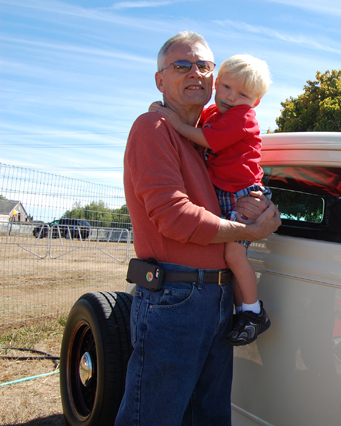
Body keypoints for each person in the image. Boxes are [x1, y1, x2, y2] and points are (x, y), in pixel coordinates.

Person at [115, 31, 280, 426]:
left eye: (204, 66)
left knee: (207, 417)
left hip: (216, 296)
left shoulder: (206, 142)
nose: (196, 73)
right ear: (160, 81)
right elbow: (175, 217)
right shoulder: (153, 128)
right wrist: (250, 233)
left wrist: (261, 208)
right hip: (175, 297)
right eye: (182, 65)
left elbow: (238, 183)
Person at [150, 54, 272, 346]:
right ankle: (244, 309)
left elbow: (207, 140)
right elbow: (198, 129)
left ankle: (253, 313)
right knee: (228, 257)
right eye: (227, 87)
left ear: (254, 102)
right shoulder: (214, 114)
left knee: (234, 255)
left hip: (243, 193)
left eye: (242, 94)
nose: (231, 97)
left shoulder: (243, 117)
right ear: (217, 83)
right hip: (228, 192)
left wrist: (172, 121)